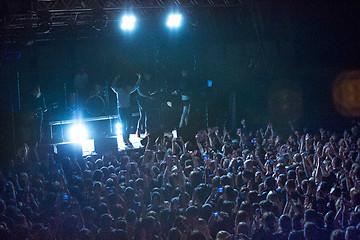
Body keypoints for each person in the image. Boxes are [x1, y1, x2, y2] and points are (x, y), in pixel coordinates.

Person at [111, 74, 140, 146]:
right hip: (121, 109)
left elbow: (136, 86)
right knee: (124, 125)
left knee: (129, 124)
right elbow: (112, 86)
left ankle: (127, 138)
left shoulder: (129, 90)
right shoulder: (119, 90)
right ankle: (125, 139)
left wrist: (139, 78)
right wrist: (115, 78)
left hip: (128, 108)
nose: (127, 88)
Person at [20, 85, 46, 161]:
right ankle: (33, 143)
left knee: (38, 129)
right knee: (32, 129)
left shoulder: (41, 97)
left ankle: (38, 143)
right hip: (32, 116)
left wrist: (39, 111)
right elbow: (28, 106)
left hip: (39, 115)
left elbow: (44, 107)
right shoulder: (31, 98)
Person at [136, 72, 156, 138]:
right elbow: (140, 93)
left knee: (148, 115)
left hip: (147, 101)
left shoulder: (149, 83)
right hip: (141, 101)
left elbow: (148, 92)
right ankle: (138, 130)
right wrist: (149, 97)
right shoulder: (141, 83)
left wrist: (151, 94)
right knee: (142, 116)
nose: (149, 76)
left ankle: (146, 130)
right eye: (148, 75)